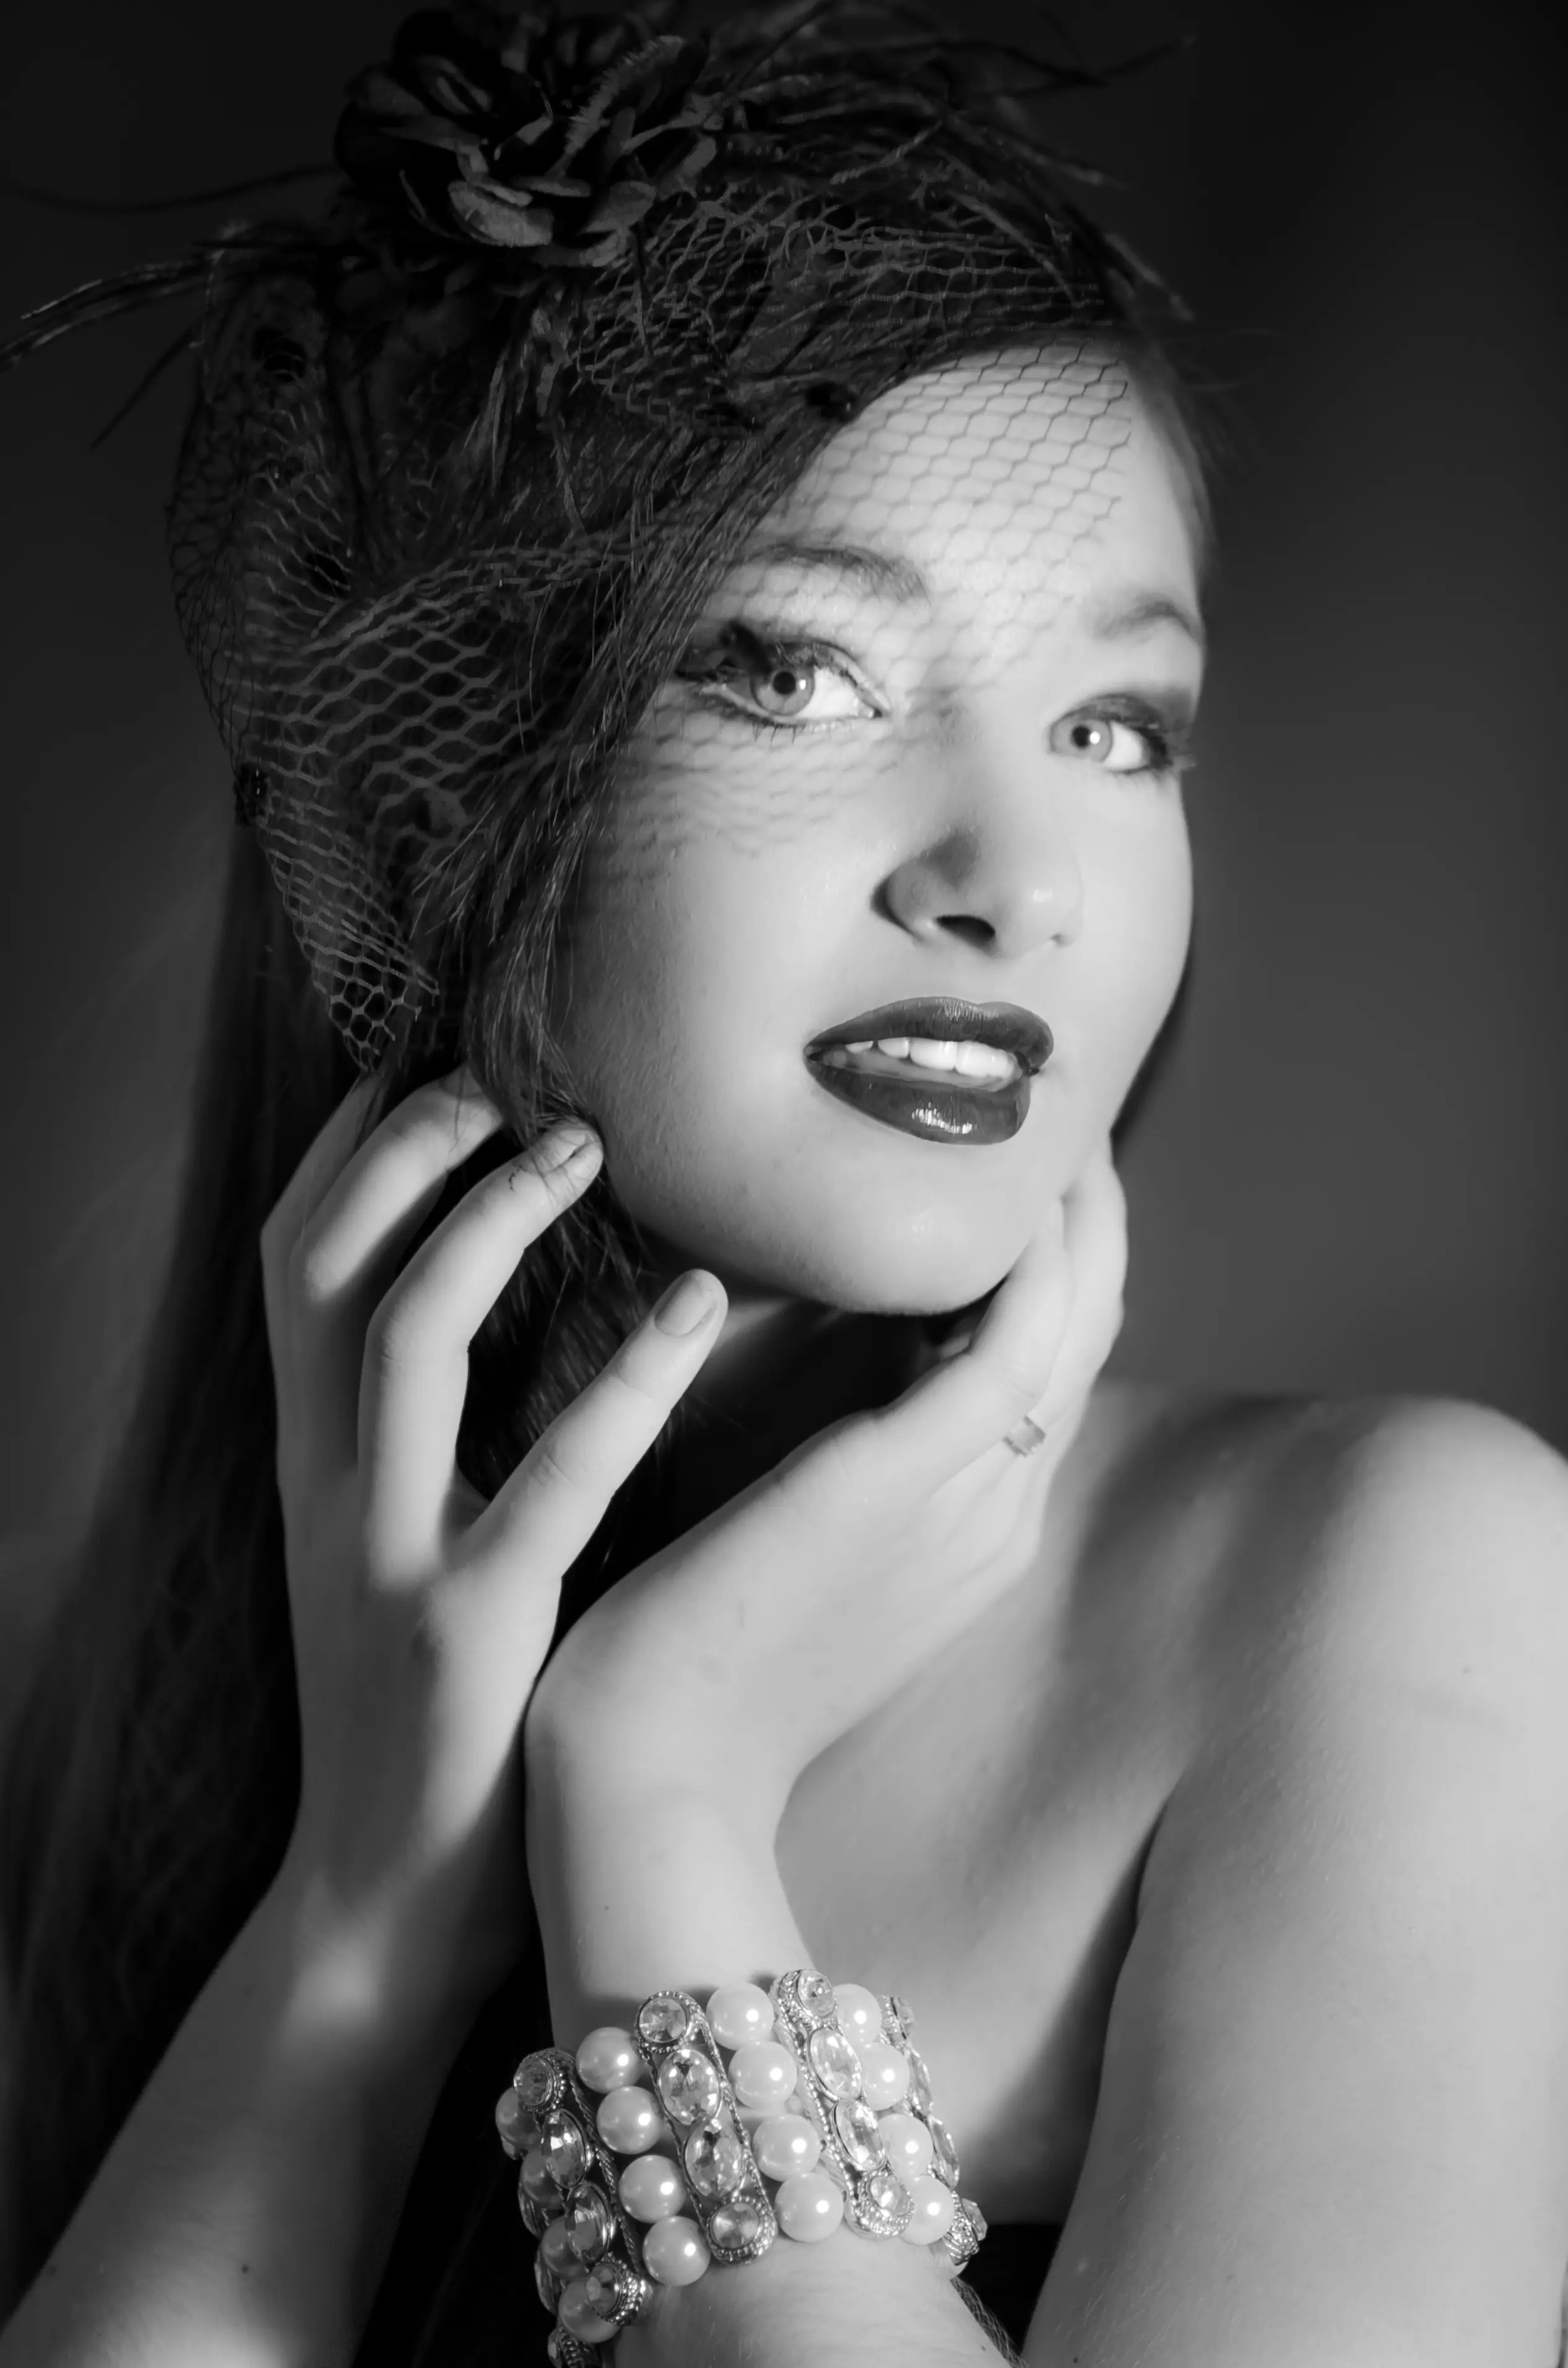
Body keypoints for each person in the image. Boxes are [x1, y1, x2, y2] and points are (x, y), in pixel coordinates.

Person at [3, 4, 1568, 2363]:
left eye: (1114, 725)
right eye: (797, 676)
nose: (1013, 880)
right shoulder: (86, 1694)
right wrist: (366, 1896)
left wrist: (659, 1789)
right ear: (434, 814)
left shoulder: (1388, 1591)